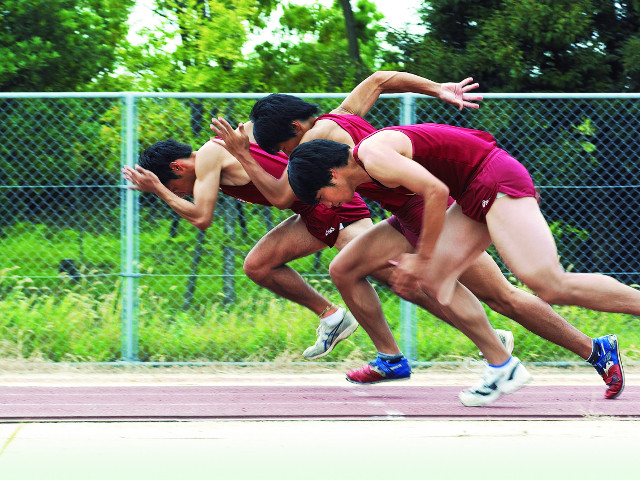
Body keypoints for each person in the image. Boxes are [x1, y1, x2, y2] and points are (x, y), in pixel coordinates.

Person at [210, 71, 622, 405]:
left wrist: (243, 153)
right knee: (345, 268)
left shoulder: (318, 141)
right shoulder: (340, 115)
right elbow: (379, 79)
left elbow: (284, 195)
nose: (290, 158)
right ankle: (396, 356)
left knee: (503, 296)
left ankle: (583, 349)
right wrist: (436, 87)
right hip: (407, 213)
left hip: (430, 212)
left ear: (298, 127)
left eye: (286, 147)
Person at [285, 123, 633, 404]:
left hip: (494, 178)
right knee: (437, 282)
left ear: (332, 175)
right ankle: (502, 367)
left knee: (547, 283)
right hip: (470, 193)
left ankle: (596, 337)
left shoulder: (373, 156)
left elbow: (435, 192)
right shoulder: (362, 167)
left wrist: (422, 257)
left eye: (320, 198)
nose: (326, 207)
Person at [123, 134, 373, 361]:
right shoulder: (211, 162)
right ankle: (333, 318)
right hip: (310, 211)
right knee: (258, 266)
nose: (179, 195)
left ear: (177, 167)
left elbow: (201, 218)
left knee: (395, 271)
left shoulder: (210, 154)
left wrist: (157, 189)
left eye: (173, 188)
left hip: (333, 204)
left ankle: (390, 355)